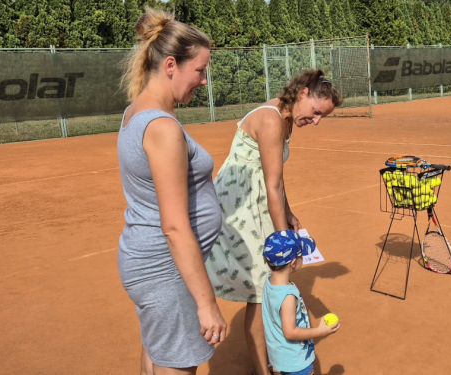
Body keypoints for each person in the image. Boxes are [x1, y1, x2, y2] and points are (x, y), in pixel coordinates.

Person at [204, 69, 342, 374]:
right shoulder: (271, 119)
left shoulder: (286, 117)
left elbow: (275, 179)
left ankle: (266, 362)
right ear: (303, 92)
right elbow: (272, 185)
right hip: (239, 212)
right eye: (317, 112)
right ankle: (263, 370)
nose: (316, 121)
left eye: (323, 117)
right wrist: (287, 243)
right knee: (260, 290)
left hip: (256, 205)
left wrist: (288, 213)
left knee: (265, 287)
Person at [116, 8, 227, 375]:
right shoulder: (161, 127)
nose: (204, 81)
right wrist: (206, 302)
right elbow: (175, 225)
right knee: (175, 364)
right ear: (169, 66)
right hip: (166, 271)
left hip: (150, 264)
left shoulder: (136, 111)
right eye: (199, 70)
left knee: (157, 353)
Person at [261, 230, 340, 375]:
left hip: (279, 357)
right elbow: (290, 332)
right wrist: (320, 331)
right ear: (293, 263)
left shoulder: (269, 282)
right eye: (301, 255)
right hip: (296, 362)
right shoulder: (288, 297)